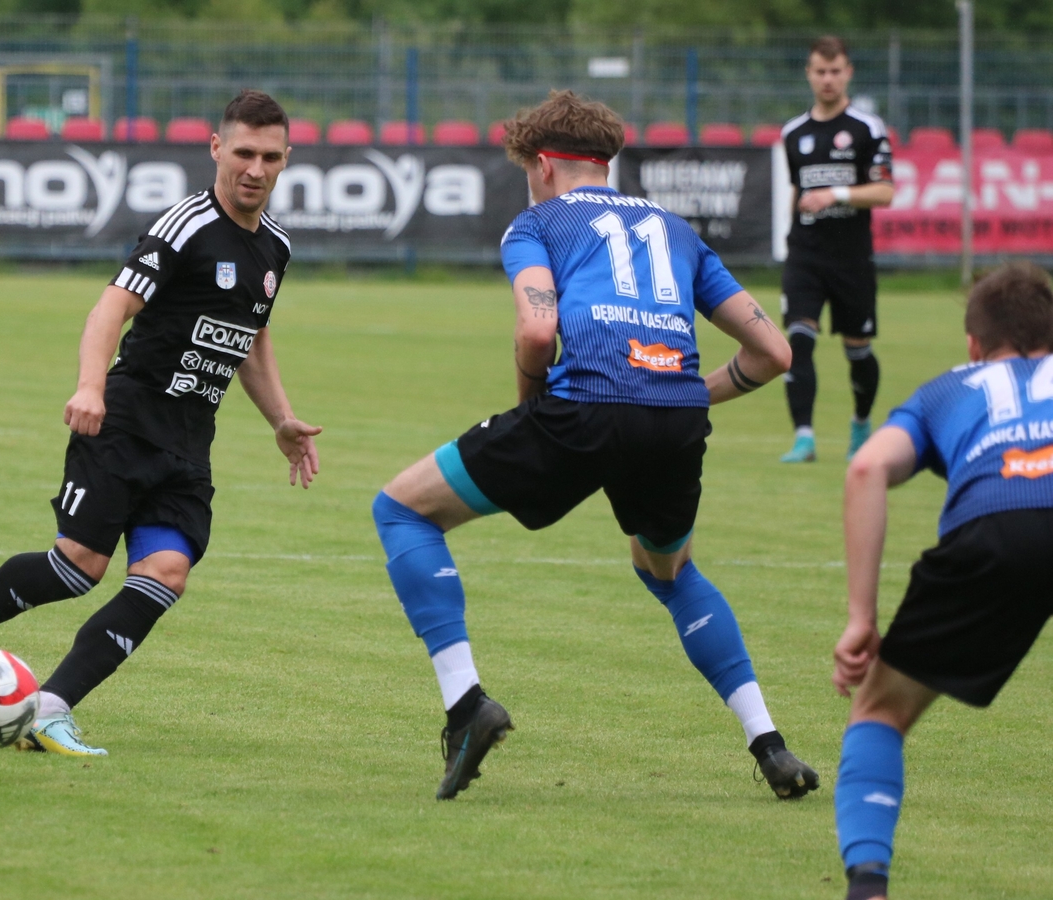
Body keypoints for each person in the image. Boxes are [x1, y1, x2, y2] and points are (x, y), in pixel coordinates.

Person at [372, 90, 819, 801]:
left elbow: (536, 331)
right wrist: (680, 393)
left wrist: (530, 409)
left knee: (401, 510)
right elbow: (773, 353)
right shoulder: (675, 230)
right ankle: (769, 743)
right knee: (669, 571)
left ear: (544, 165)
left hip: (581, 410)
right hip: (673, 419)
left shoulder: (536, 223)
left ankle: (465, 705)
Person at [0, 90, 321, 757]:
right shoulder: (186, 226)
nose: (255, 169)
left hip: (188, 441)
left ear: (287, 159)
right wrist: (90, 387)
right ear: (216, 149)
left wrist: (281, 419)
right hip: (125, 423)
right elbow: (110, 308)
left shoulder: (276, 248)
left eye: (269, 157)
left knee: (165, 574)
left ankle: (50, 711)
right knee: (78, 568)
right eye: (243, 153)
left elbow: (250, 338)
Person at [831, 261, 1053, 900]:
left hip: (995, 531)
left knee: (879, 711)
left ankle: (868, 887)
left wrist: (861, 618)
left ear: (974, 345)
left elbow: (867, 470)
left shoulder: (946, 389)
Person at [779, 35, 895, 463]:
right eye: (820, 71)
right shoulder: (793, 133)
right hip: (805, 256)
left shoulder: (868, 129)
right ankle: (804, 438)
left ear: (848, 73)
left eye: (835, 71)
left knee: (857, 349)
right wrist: (790, 237)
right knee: (797, 341)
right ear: (809, 74)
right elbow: (798, 190)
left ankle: (861, 423)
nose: (827, 79)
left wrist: (836, 194)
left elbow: (885, 192)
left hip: (851, 258)